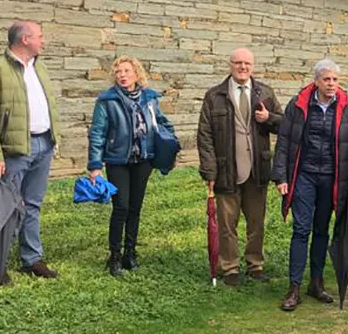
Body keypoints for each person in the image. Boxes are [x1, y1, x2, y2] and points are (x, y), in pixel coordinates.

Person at [271, 59, 348, 311]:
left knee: (322, 230)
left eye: (335, 79)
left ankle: (316, 282)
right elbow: (284, 141)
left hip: (331, 178)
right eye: (326, 79)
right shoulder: (298, 105)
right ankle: (294, 287)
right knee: (301, 230)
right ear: (316, 82)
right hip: (304, 175)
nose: (331, 84)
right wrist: (281, 176)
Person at [0, 20, 62, 279]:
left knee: (33, 204)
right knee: (8, 208)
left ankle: (31, 258)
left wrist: (54, 138)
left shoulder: (40, 68)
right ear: (25, 39)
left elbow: (48, 105)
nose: (43, 40)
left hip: (43, 144)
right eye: (40, 36)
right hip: (14, 150)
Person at [196, 48, 283, 286]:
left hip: (257, 169)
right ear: (230, 65)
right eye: (238, 63)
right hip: (227, 170)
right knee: (227, 224)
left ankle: (255, 264)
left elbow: (285, 125)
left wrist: (270, 119)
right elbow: (204, 136)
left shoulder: (264, 92)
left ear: (253, 66)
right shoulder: (214, 96)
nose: (242, 67)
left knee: (256, 223)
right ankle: (229, 267)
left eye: (247, 63)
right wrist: (210, 170)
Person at [87, 56, 175, 277]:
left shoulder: (150, 98)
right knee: (121, 207)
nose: (122, 75)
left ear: (137, 74)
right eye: (118, 72)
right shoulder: (107, 100)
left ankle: (130, 253)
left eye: (126, 71)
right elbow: (97, 133)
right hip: (118, 161)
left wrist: (170, 145)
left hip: (143, 160)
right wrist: (95, 165)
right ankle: (114, 256)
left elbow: (162, 123)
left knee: (135, 207)